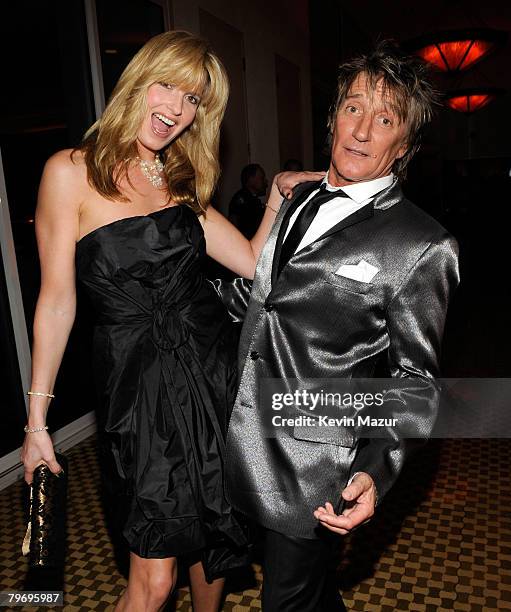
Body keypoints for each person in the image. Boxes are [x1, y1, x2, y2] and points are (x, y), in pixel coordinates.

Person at [20, 31, 323, 612]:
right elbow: (57, 301)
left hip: (213, 374)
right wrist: (37, 420)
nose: (177, 110)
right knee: (155, 578)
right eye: (169, 86)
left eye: (194, 101)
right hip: (137, 390)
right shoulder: (70, 171)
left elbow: (256, 264)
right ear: (138, 79)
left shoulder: (179, 184)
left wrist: (278, 200)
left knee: (214, 541)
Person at [215, 41, 460, 611]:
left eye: (385, 118)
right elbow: (264, 298)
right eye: (354, 108)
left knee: (287, 601)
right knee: (315, 592)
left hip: (316, 464)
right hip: (237, 432)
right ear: (333, 116)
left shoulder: (423, 244)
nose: (362, 130)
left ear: (405, 146)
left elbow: (416, 380)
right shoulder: (298, 197)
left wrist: (377, 468)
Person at [228, 163, 268, 238]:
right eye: (261, 178)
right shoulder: (240, 200)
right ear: (251, 179)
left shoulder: (254, 200)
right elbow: (233, 227)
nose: (265, 182)